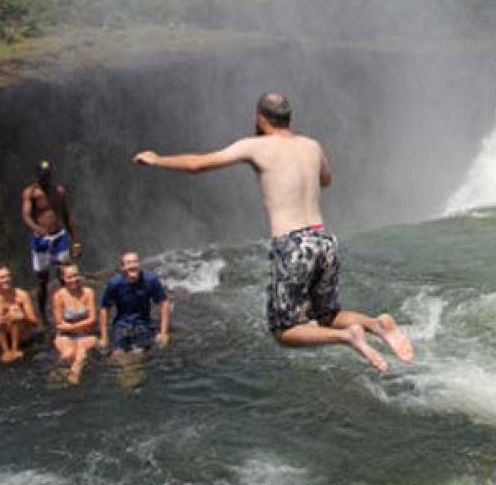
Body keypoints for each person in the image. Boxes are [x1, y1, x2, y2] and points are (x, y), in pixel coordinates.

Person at [132, 92, 413, 373]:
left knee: (283, 331)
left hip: (293, 244)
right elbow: (326, 180)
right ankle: (376, 324)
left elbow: (199, 164)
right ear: (288, 118)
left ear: (260, 118)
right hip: (324, 239)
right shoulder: (312, 146)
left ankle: (348, 336)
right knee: (327, 314)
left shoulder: (256, 146)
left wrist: (158, 159)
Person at [21, 160, 82, 319]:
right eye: (42, 176)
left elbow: (67, 216)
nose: (45, 179)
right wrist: (36, 228)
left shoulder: (58, 191)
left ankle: (69, 309)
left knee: (65, 275)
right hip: (41, 240)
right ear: (37, 176)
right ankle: (42, 314)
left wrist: (75, 240)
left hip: (59, 237)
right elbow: (26, 215)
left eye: (47, 175)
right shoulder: (31, 193)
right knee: (43, 279)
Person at [99, 252, 170, 360]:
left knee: (138, 354)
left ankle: (131, 374)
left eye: (135, 262)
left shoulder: (150, 280)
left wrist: (163, 332)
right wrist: (104, 337)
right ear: (122, 267)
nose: (132, 265)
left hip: (143, 323)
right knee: (118, 355)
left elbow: (164, 302)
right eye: (128, 263)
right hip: (121, 324)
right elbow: (104, 308)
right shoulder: (114, 283)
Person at [0, 264, 39, 363]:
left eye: (8, 276)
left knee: (14, 310)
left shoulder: (22, 295)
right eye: (2, 277)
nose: (7, 279)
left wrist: (22, 318)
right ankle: (5, 351)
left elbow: (35, 322)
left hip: (22, 342)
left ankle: (15, 350)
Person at [52, 263, 98, 384]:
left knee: (81, 354)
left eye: (76, 275)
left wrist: (72, 327)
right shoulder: (59, 296)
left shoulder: (88, 292)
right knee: (68, 353)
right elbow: (59, 323)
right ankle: (57, 376)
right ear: (63, 278)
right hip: (65, 334)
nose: (74, 279)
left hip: (86, 333)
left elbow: (93, 319)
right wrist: (76, 328)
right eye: (70, 277)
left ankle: (74, 377)